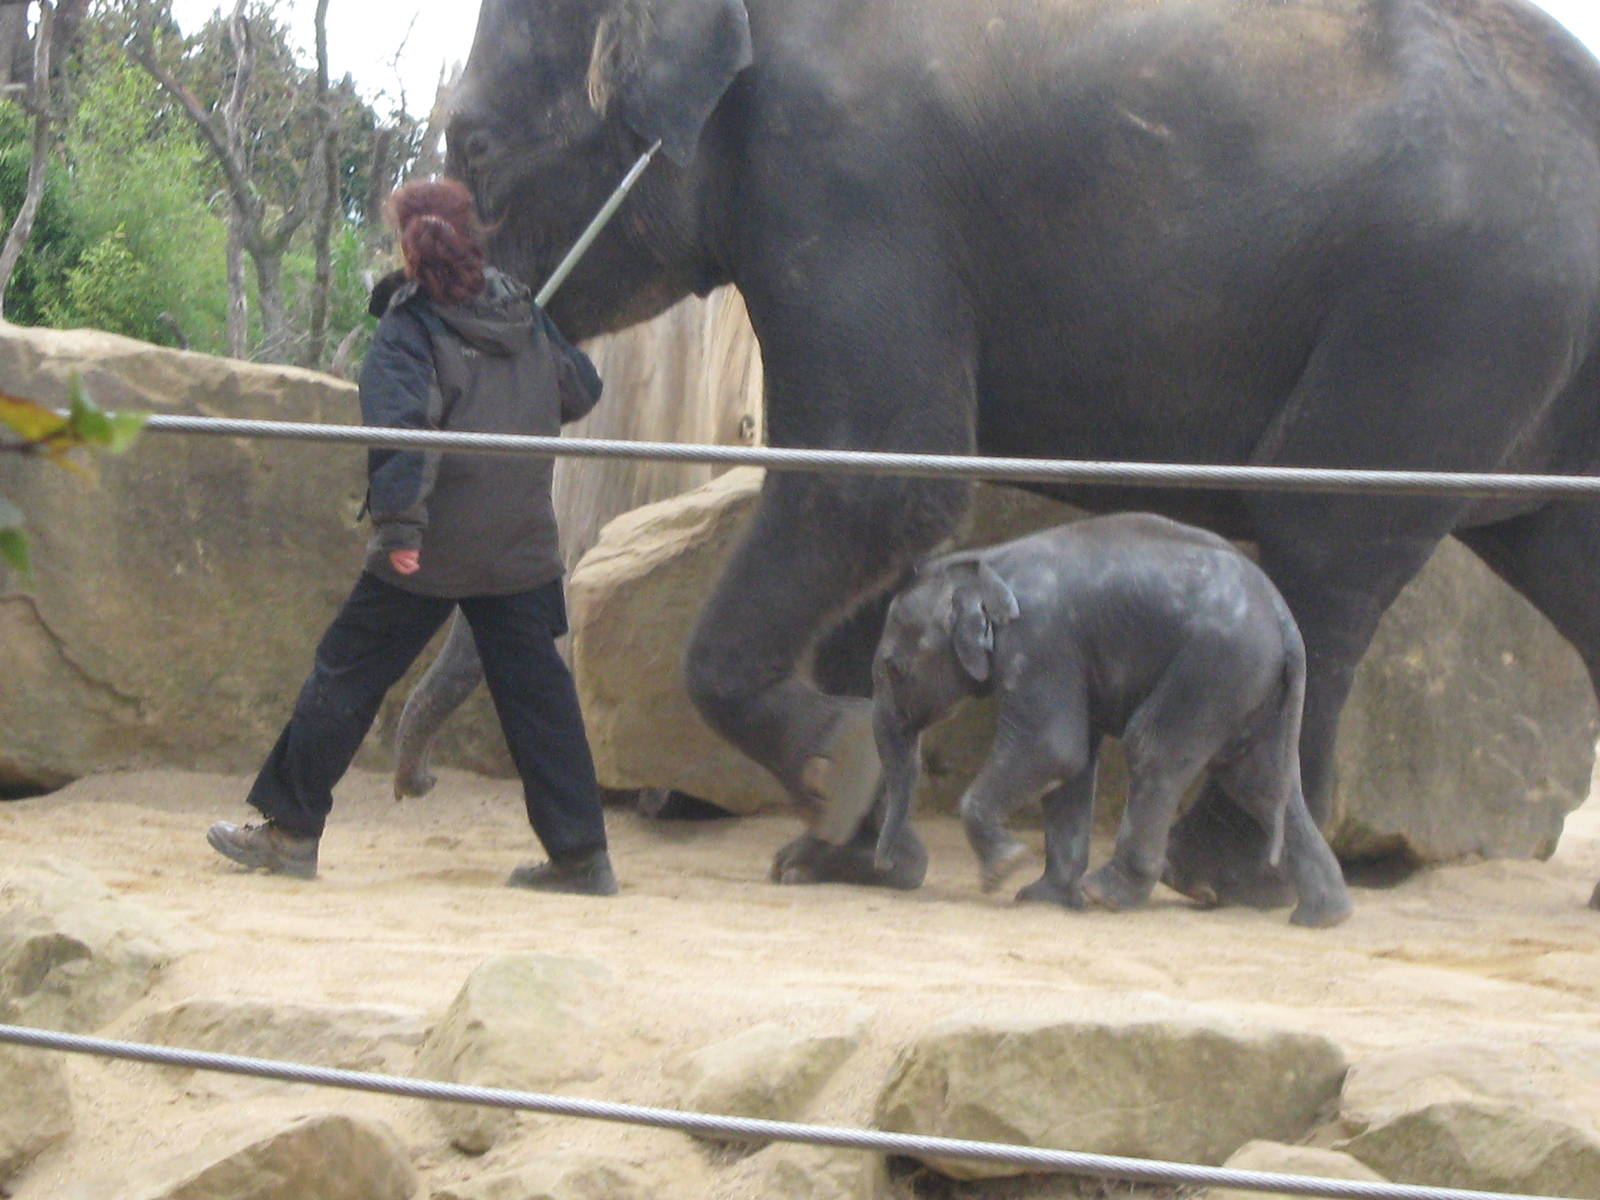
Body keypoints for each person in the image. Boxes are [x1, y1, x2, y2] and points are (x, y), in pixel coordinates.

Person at [206, 177, 617, 896]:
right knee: (540, 699)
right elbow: (581, 389)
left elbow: (400, 431)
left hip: (429, 545)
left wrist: (399, 525)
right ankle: (582, 858)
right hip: (520, 545)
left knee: (347, 671)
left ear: (406, 241)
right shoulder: (523, 313)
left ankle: (290, 832)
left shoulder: (410, 325)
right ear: (474, 233)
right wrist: (540, 339)